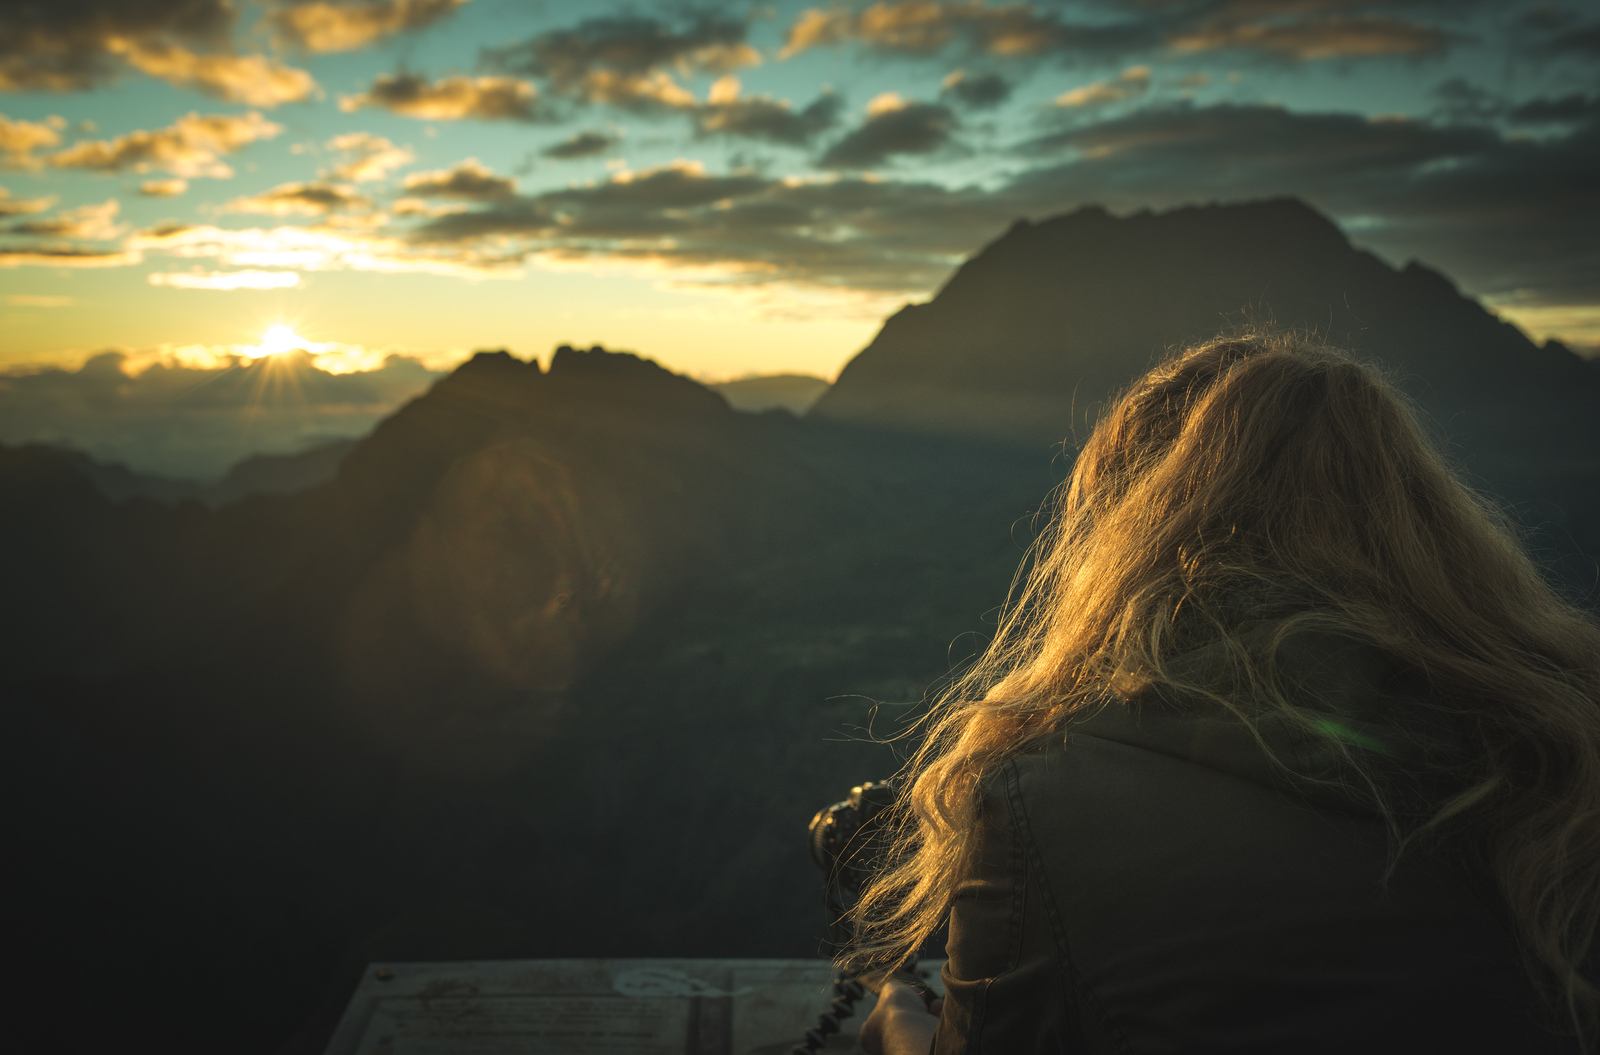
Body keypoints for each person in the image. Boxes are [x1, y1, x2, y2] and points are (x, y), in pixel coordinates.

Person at [847, 333, 1600, 1054]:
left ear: (1125, 536)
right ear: (1422, 519)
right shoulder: (1564, 741)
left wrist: (896, 1025)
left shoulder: (1044, 799)